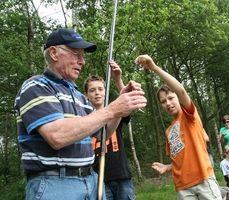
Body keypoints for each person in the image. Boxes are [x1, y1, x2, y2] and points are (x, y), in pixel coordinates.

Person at [14, 28, 146, 200]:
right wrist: (112, 109)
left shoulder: (78, 97)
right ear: (54, 53)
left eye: (82, 56)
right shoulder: (36, 87)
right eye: (76, 55)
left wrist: (121, 108)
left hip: (91, 180)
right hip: (55, 184)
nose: (82, 61)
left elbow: (103, 134)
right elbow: (57, 136)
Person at [135, 55, 222, 200]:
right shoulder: (168, 131)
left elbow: (181, 90)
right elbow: (180, 158)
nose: (167, 103)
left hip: (203, 180)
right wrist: (167, 167)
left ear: (178, 98)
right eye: (163, 101)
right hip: (182, 187)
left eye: (170, 98)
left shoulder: (189, 115)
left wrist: (154, 68)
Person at [83, 61, 136, 200]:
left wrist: (117, 79)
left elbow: (126, 104)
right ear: (86, 95)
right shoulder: (83, 118)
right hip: (98, 178)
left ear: (105, 92)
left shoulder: (114, 112)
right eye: (92, 90)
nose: (97, 93)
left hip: (121, 174)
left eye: (100, 89)